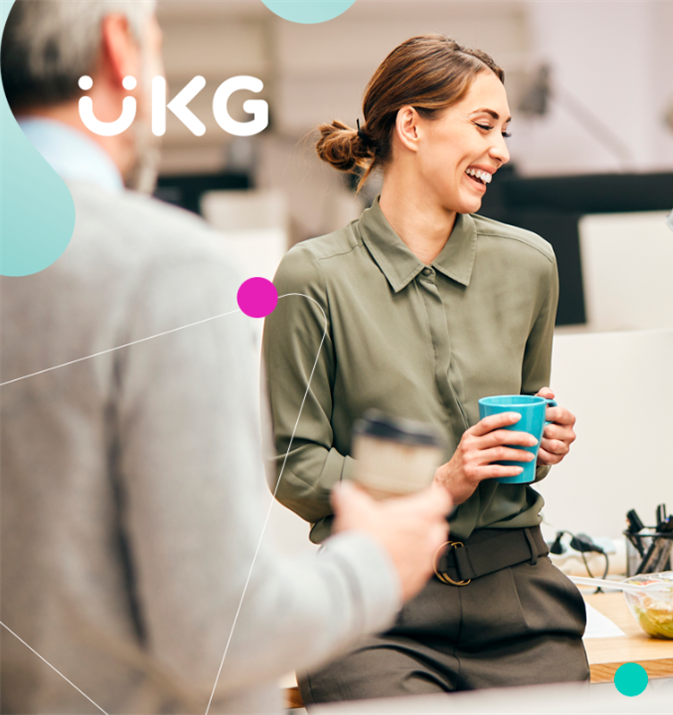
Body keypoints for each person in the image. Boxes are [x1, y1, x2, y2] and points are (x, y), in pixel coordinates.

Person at [0, 2, 453, 714]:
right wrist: (375, 561)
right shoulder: (164, 268)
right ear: (120, 47)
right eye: (159, 44)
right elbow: (219, 633)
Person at [262, 34, 587, 703]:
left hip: (522, 597)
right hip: (376, 607)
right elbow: (295, 466)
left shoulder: (530, 263)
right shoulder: (312, 276)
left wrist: (541, 444)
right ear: (411, 125)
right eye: (483, 125)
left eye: (505, 129)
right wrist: (442, 481)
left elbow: (521, 432)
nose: (500, 149)